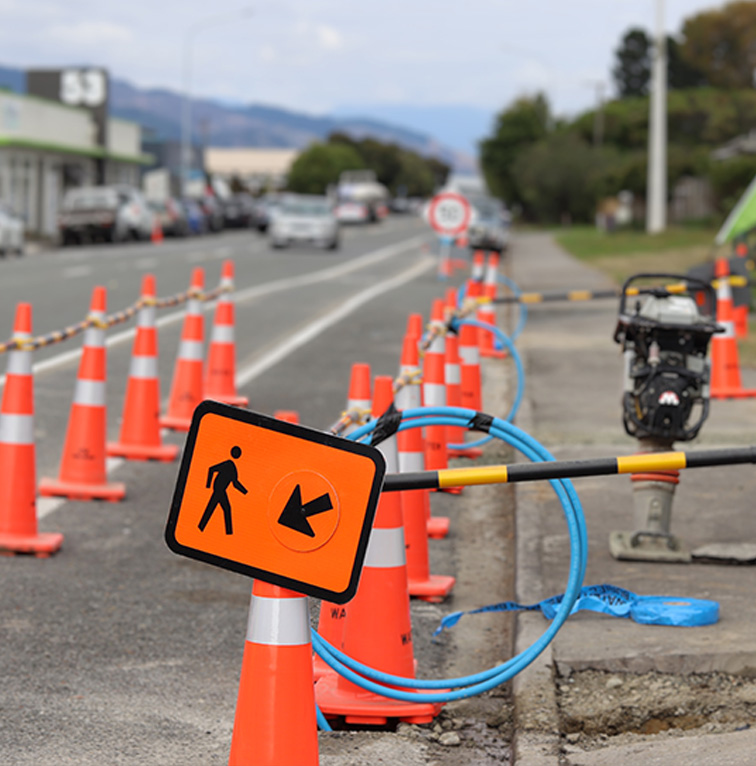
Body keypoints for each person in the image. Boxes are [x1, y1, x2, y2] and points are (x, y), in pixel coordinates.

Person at [198, 446, 247, 535]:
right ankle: (229, 533)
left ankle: (201, 527)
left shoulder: (233, 467)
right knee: (224, 509)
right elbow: (211, 469)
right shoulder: (228, 464)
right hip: (219, 490)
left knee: (214, 508)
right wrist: (208, 485)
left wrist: (245, 492)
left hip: (220, 490)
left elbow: (235, 483)